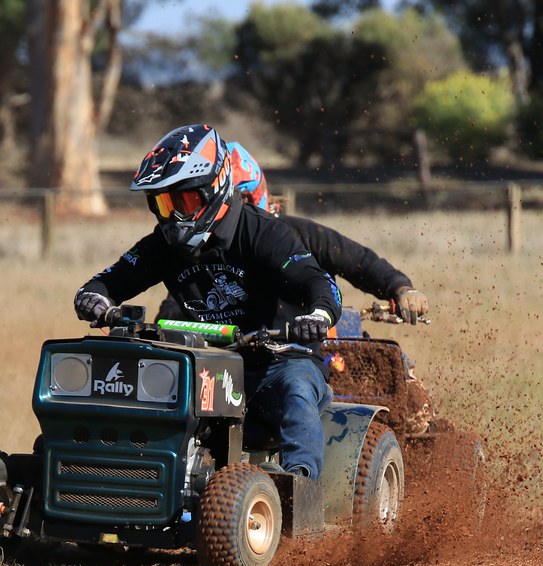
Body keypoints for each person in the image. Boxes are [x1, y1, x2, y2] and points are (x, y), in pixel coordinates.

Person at [74, 124, 342, 479]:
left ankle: (298, 490)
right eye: (163, 204)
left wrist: (319, 315)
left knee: (295, 389)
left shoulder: (264, 232)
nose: (173, 217)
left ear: (215, 187)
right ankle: (102, 473)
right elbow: (110, 280)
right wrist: (94, 297)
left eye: (183, 201)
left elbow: (318, 281)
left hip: (277, 360)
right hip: (205, 362)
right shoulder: (162, 246)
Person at [158, 141, 429, 325]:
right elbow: (180, 298)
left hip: (304, 346)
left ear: (257, 194)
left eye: (241, 199)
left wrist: (402, 290)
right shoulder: (199, 247)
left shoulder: (298, 232)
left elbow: (360, 263)